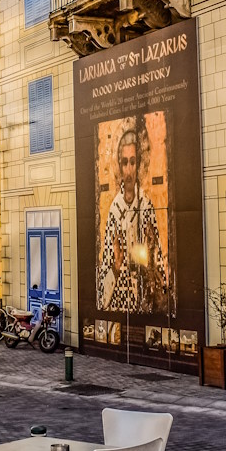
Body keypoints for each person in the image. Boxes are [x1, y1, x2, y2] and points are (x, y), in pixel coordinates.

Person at [97, 128, 167, 313]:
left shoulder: (146, 206)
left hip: (143, 301)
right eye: (124, 162)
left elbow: (159, 267)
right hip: (120, 301)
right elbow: (102, 294)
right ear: (119, 167)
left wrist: (150, 256)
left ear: (139, 165)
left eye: (133, 162)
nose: (128, 170)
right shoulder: (114, 210)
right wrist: (116, 264)